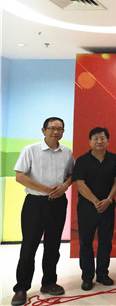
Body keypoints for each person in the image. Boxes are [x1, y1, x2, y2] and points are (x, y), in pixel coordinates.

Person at [11, 117, 74, 306]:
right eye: (52, 128)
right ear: (43, 130)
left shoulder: (67, 152)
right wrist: (47, 190)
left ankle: (49, 282)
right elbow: (20, 176)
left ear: (63, 132)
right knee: (29, 246)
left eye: (60, 128)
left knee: (53, 245)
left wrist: (65, 186)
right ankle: (21, 288)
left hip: (58, 203)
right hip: (35, 204)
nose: (56, 131)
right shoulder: (30, 150)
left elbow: (71, 175)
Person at [73, 127, 116, 291]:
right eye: (95, 139)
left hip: (108, 207)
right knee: (86, 243)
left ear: (108, 141)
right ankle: (87, 277)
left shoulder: (114, 159)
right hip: (87, 208)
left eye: (102, 138)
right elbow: (80, 183)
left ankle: (102, 274)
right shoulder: (82, 160)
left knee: (105, 242)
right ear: (90, 142)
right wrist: (95, 201)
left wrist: (108, 200)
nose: (99, 141)